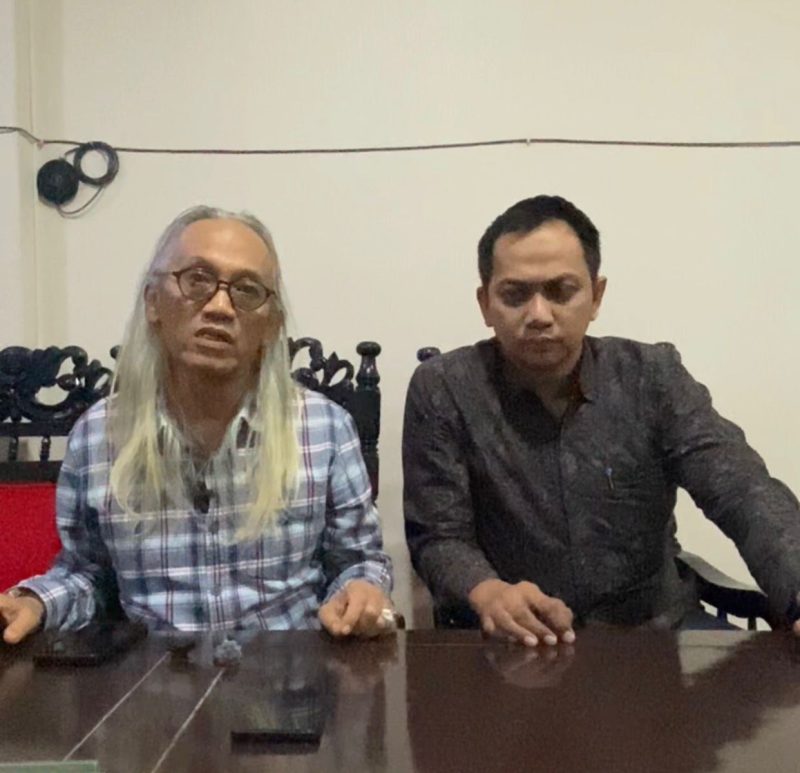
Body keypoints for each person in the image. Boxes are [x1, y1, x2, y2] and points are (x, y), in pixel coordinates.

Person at [403, 194, 800, 646]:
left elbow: (741, 489)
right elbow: (439, 536)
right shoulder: (445, 389)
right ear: (485, 303)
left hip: (657, 636)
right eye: (515, 295)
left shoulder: (651, 377)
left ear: (596, 296)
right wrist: (488, 592)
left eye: (561, 291)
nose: (539, 315)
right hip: (518, 642)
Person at [0, 206, 394, 644]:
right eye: (197, 280)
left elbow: (359, 563)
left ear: (271, 325)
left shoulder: (324, 430)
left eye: (247, 290)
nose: (220, 307)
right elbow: (87, 575)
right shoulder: (98, 436)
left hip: (288, 672)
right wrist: (36, 602)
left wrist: (362, 590)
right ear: (153, 302)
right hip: (153, 674)